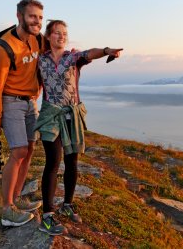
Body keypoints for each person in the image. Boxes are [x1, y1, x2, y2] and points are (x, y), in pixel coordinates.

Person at [35, 20, 123, 235]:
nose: (61, 36)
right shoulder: (40, 60)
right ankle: (47, 215)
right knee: (53, 161)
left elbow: (89, 53)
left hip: (72, 115)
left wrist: (105, 50)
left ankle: (67, 204)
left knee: (72, 161)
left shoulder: (72, 57)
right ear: (48, 36)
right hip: (50, 115)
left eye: (64, 33)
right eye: (56, 33)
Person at [0, 0, 44, 227]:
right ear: (19, 16)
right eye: (32, 16)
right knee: (18, 151)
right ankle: (7, 210)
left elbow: (55, 54)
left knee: (28, 150)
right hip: (11, 102)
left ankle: (17, 198)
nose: (36, 21)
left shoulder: (38, 39)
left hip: (30, 103)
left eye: (39, 17)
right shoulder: (4, 47)